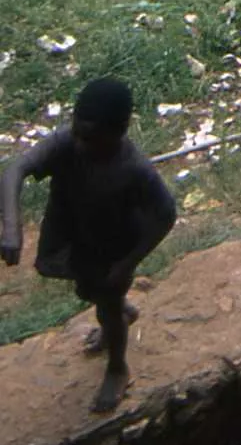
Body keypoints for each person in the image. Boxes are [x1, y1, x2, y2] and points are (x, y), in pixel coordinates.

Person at [0, 76, 176, 412]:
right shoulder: (67, 142)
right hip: (76, 233)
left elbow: (166, 215)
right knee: (89, 288)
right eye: (77, 132)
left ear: (118, 132)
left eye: (91, 138)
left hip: (115, 246)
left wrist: (129, 263)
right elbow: (15, 170)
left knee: (107, 304)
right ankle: (118, 312)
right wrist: (11, 226)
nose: (80, 144)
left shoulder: (134, 169)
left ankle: (117, 366)